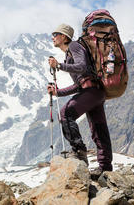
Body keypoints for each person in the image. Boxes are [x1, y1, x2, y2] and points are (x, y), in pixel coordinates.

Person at [47, 23, 113, 177]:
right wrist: (58, 92)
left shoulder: (74, 46)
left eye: (55, 34)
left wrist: (59, 65)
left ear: (64, 37)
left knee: (66, 113)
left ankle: (79, 151)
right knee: (99, 130)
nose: (53, 37)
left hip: (91, 91)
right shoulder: (70, 52)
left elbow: (82, 66)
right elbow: (79, 85)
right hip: (94, 92)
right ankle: (105, 169)